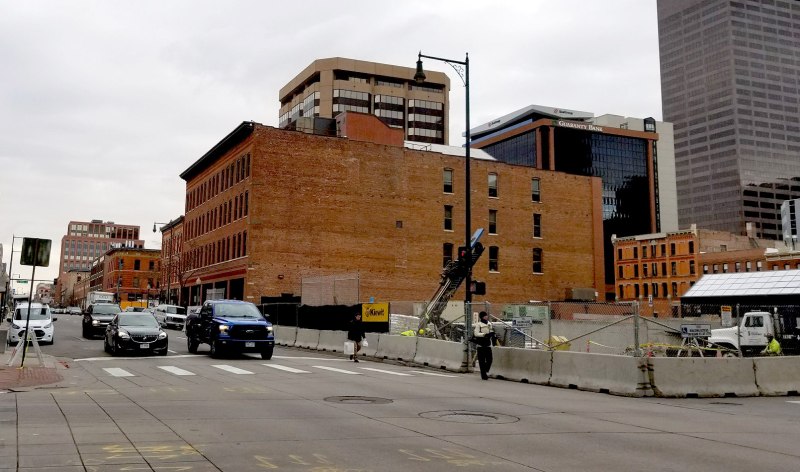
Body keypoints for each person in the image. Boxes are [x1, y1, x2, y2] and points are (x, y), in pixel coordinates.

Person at [473, 311, 495, 380]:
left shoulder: (489, 324)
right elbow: (476, 333)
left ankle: (485, 369)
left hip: (488, 344)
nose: (486, 317)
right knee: (481, 361)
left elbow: (491, 331)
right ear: (482, 317)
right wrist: (484, 335)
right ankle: (483, 375)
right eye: (485, 316)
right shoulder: (478, 324)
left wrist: (492, 334)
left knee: (490, 360)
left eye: (486, 316)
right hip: (481, 345)